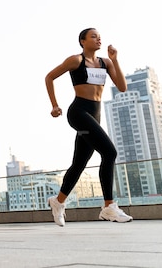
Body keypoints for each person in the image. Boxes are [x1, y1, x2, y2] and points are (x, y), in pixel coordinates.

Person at [44, 28, 132, 227]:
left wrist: (115, 59)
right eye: (93, 36)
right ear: (82, 41)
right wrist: (54, 105)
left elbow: (122, 87)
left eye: (99, 36)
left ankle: (58, 202)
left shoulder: (105, 63)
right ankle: (109, 206)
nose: (98, 38)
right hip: (78, 113)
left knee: (80, 162)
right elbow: (49, 77)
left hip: (95, 116)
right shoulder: (76, 60)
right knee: (109, 152)